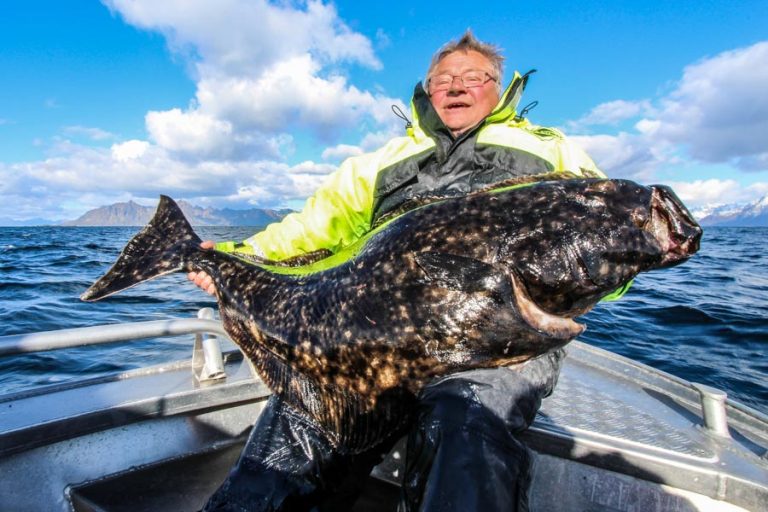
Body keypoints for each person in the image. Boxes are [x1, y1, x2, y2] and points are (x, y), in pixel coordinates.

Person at [193, 31, 609, 512]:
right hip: (370, 343)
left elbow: (606, 234)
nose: (456, 88)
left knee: (464, 429)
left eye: (472, 77)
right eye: (442, 80)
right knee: (292, 436)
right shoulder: (380, 164)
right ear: (426, 92)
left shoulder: (554, 154)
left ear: (500, 88)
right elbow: (312, 231)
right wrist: (233, 257)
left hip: (496, 348)